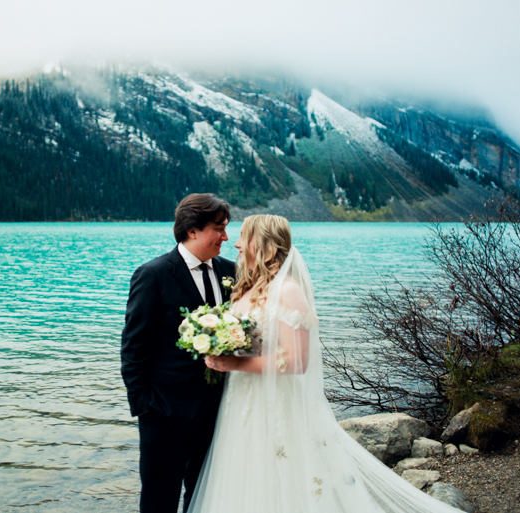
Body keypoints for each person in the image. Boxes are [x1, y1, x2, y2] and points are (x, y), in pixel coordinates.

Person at [187, 214, 463, 513]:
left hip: (276, 400)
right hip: (240, 398)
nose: (237, 243)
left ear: (262, 243)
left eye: (244, 236)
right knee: (243, 467)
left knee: (281, 468)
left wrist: (235, 364)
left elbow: (297, 362)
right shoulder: (245, 288)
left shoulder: (289, 291)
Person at [121, 193, 237, 513]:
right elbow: (133, 347)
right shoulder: (154, 274)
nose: (226, 237)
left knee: (205, 497)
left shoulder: (232, 273)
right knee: (160, 499)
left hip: (218, 412)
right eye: (219, 229)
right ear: (192, 231)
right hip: (165, 414)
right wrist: (145, 406)